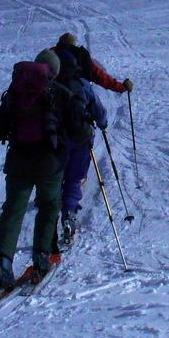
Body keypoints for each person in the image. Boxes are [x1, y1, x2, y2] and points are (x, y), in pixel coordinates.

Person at [0, 48, 87, 298]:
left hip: (18, 163)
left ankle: (3, 264)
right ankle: (42, 256)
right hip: (50, 164)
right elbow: (80, 132)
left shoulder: (15, 92)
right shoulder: (61, 94)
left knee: (13, 210)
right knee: (50, 205)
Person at [53, 47, 108, 243]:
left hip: (56, 141)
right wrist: (102, 125)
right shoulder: (83, 85)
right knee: (74, 179)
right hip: (81, 139)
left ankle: (49, 222)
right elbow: (99, 112)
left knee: (54, 179)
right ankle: (69, 214)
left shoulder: (50, 86)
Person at [52, 32, 134, 96]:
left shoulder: (50, 54)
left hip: (51, 93)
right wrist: (121, 87)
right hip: (76, 93)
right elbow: (100, 76)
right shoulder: (80, 56)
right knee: (100, 113)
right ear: (74, 44)